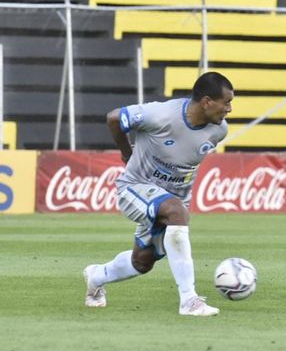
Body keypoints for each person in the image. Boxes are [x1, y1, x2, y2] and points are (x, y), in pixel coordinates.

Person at [83, 71, 234, 316]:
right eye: (226, 102)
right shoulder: (161, 114)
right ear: (207, 102)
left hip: (172, 199)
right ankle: (189, 300)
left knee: (142, 262)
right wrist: (126, 153)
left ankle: (96, 276)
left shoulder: (219, 131)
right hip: (135, 187)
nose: (229, 109)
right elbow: (114, 118)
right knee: (175, 212)